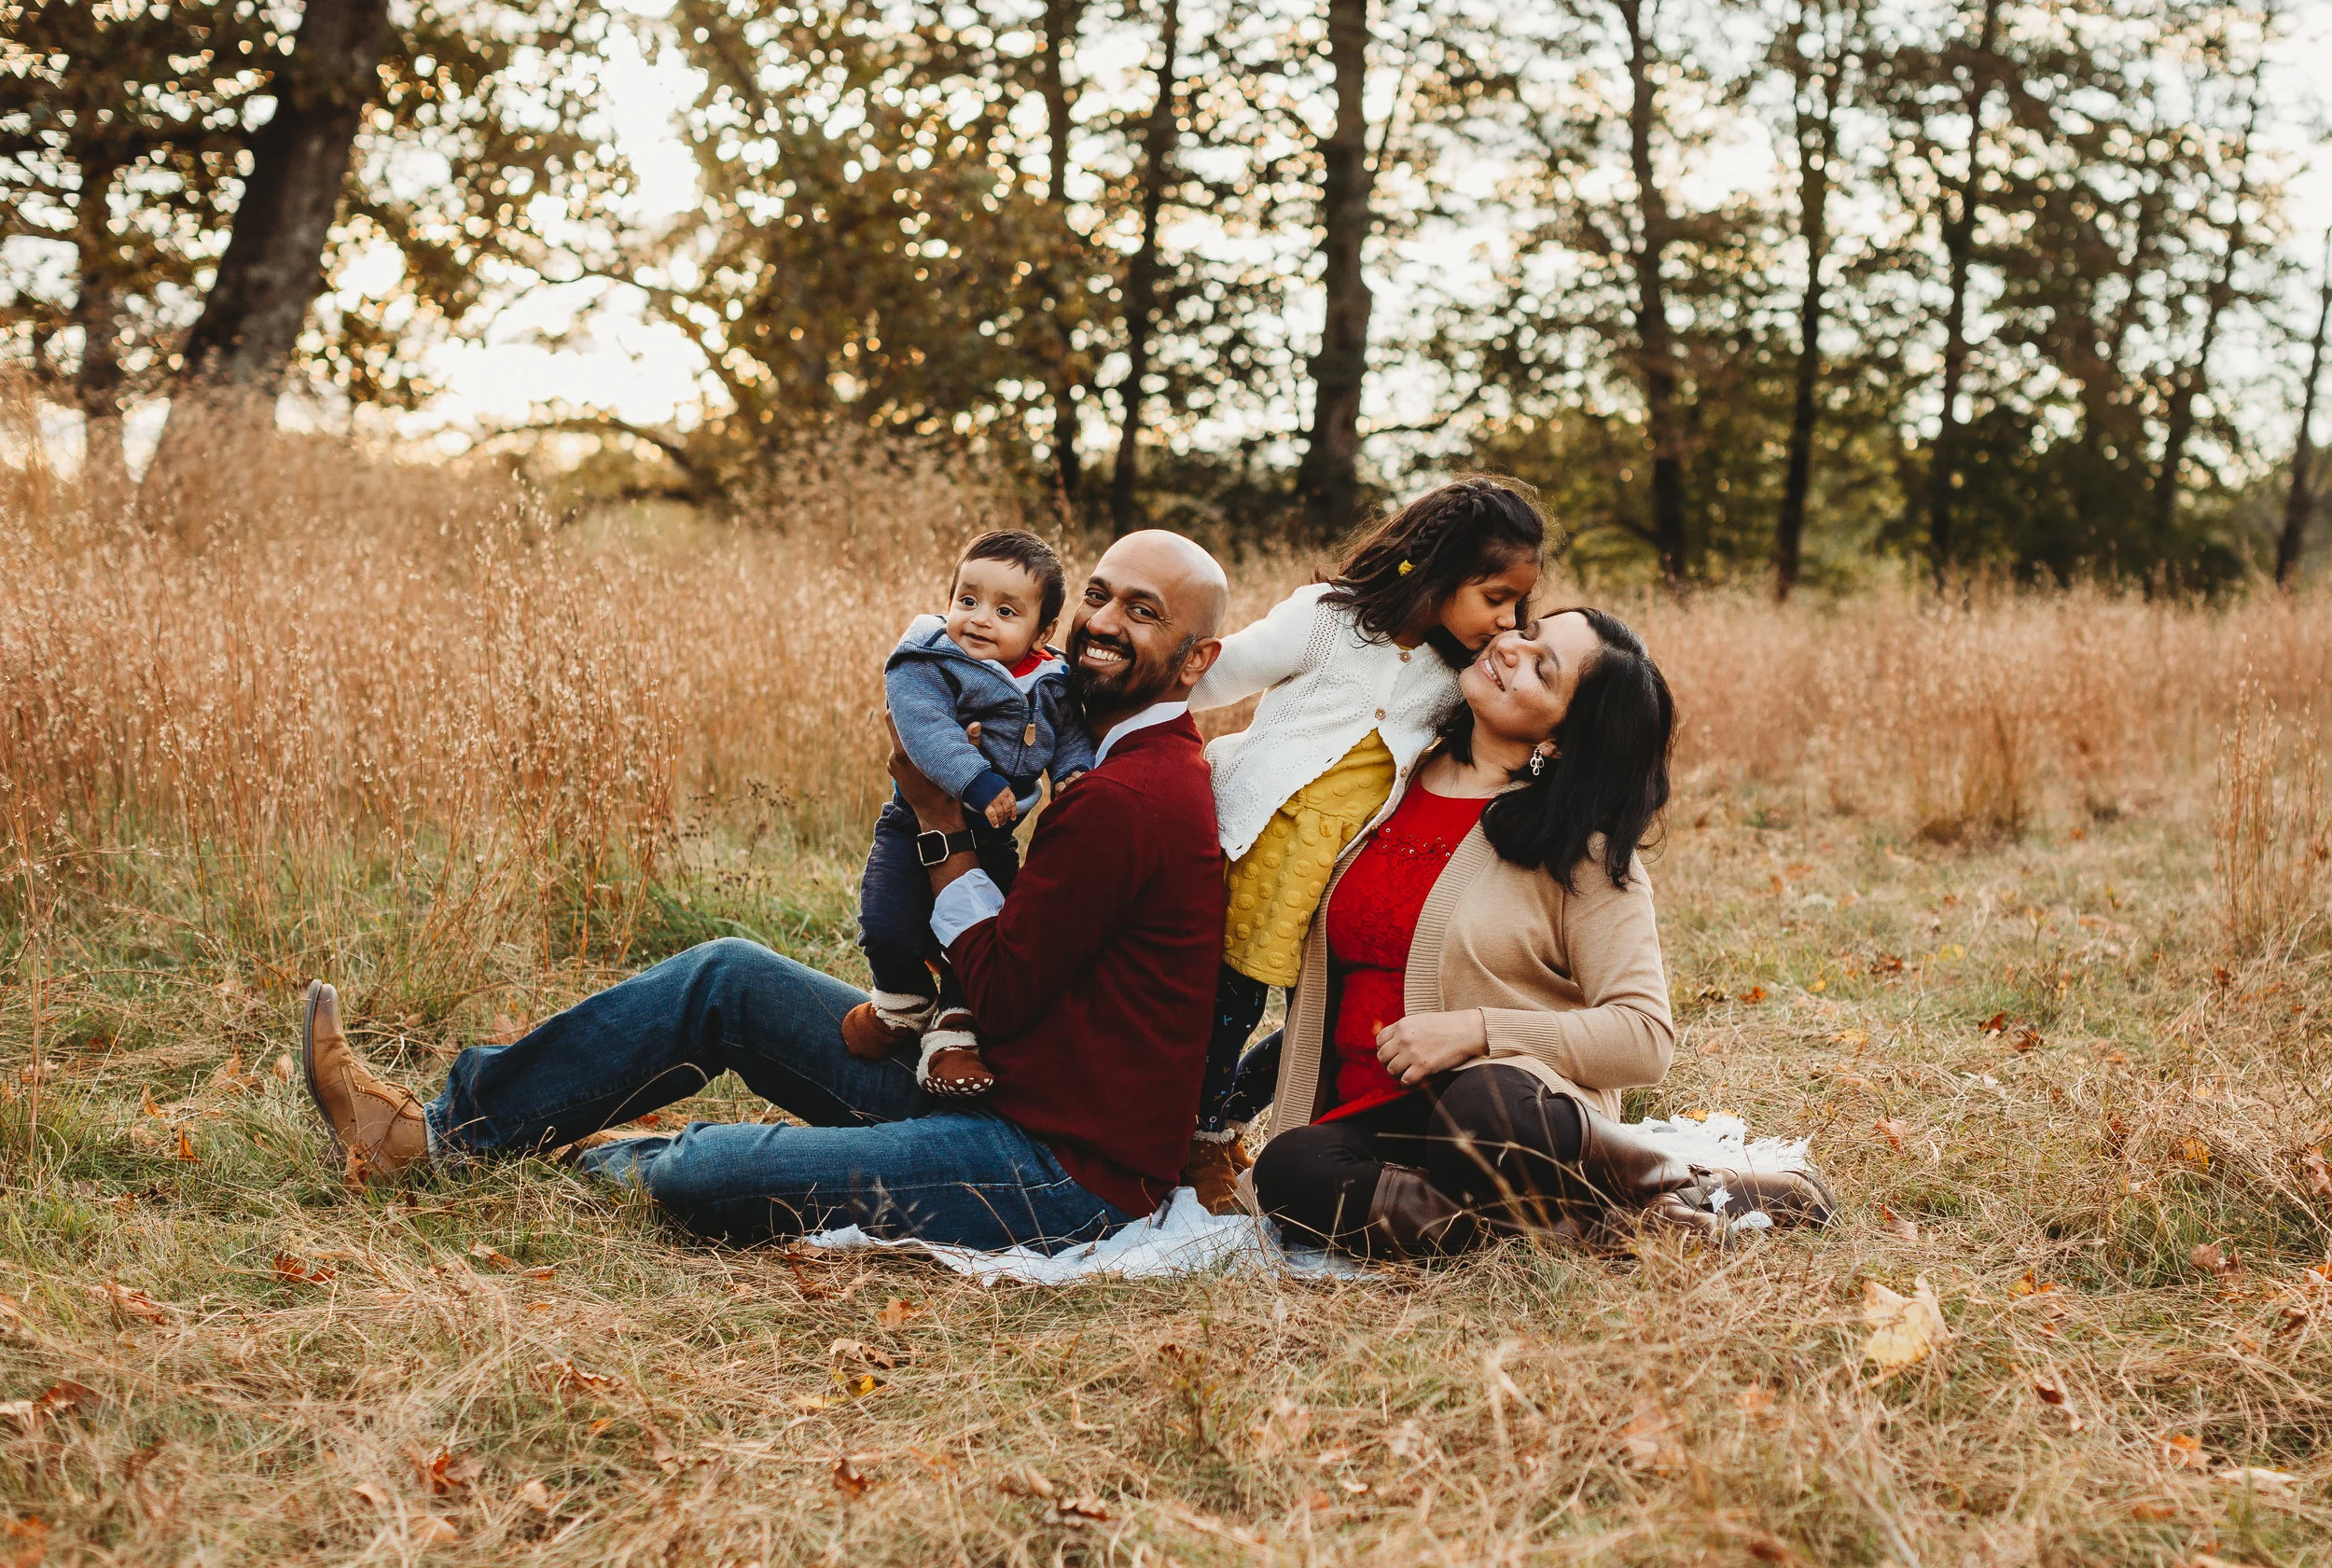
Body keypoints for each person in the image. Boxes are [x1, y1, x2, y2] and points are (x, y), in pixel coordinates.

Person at [298, 532, 1231, 1253]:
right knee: (726, 977)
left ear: (1195, 660)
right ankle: (436, 1133)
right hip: (1000, 1092)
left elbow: (999, 985)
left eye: (1142, 613)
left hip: (1058, 1169)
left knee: (706, 1173)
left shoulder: (1130, 799)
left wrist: (938, 819)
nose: (1103, 623)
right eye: (1098, 595)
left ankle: (579, 1158)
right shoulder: (1108, 759)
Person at [1248, 608, 1836, 1257]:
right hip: (1377, 1121)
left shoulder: (1579, 852)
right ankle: (1608, 1231)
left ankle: (1686, 1183)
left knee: (1481, 1107)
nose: (1508, 649)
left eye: (1541, 665)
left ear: (1559, 740)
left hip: (1515, 1118)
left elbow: (1644, 1037)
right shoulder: (1387, 777)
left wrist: (1478, 1030)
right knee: (1288, 1168)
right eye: (1526, 633)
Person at [1179, 476, 1545, 1211]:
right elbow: (1211, 678)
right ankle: (1201, 1140)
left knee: (1331, 1019)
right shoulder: (1325, 619)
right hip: (1257, 856)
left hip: (1340, 884)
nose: (1507, 622)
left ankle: (1255, 1119)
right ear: (1440, 568)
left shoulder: (1454, 677)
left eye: (1515, 603)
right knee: (1229, 1010)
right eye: (1495, 596)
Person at [841, 529, 1096, 1098]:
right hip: (913, 823)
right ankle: (902, 1004)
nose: (979, 619)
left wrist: (1074, 774)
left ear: (1043, 630)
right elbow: (924, 728)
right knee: (886, 925)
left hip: (995, 837)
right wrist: (976, 780)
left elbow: (1070, 736)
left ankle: (955, 1029)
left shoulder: (1051, 682)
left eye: (1006, 611)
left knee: (982, 942)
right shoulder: (930, 660)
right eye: (968, 600)